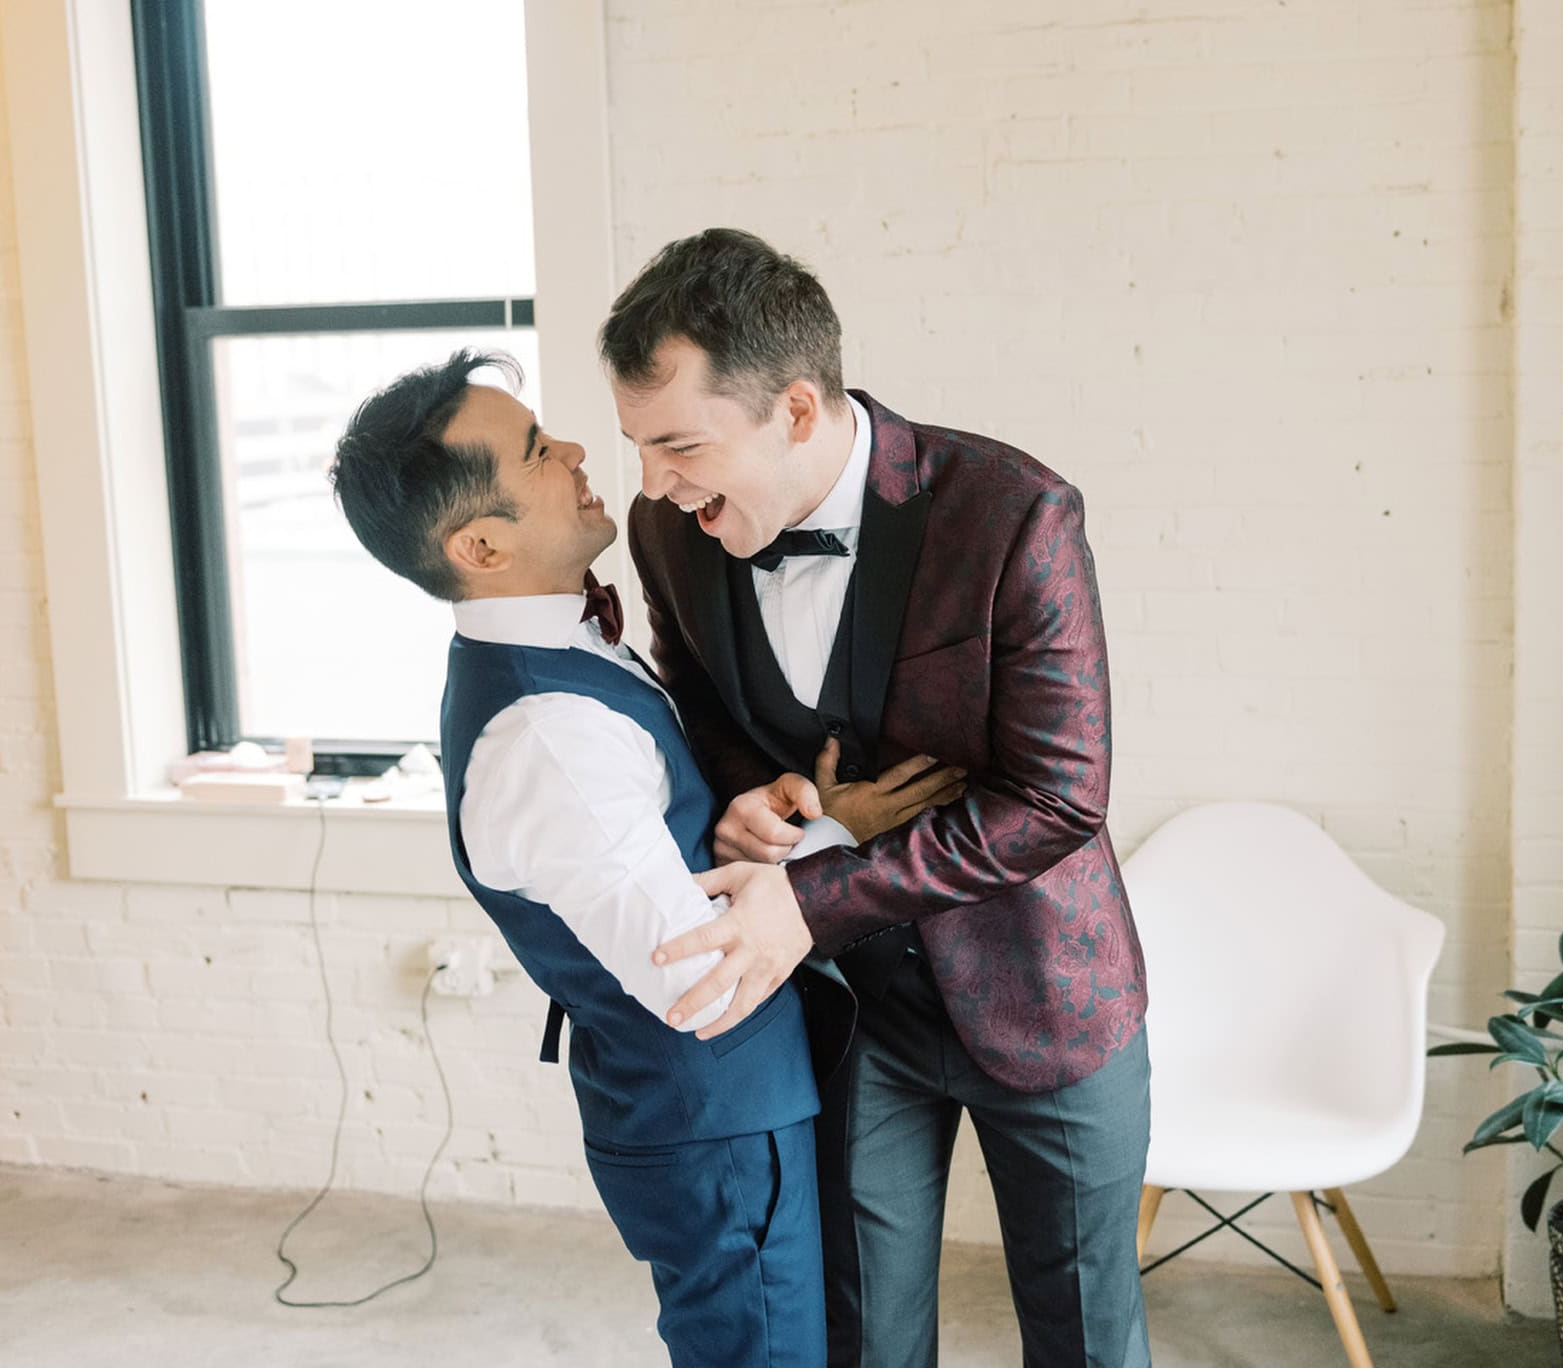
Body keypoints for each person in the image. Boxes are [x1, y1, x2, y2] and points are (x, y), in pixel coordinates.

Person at [328, 351, 943, 1367]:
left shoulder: (557, 662)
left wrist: (768, 816)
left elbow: (649, 853)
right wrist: (841, 835)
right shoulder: (546, 732)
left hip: (723, 1114)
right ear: (480, 544)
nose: (573, 448)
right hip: (717, 1125)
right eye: (533, 452)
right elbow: (695, 975)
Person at [608, 228, 1152, 1367]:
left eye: (677, 446)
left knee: (1086, 1341)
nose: (651, 486)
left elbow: (1058, 797)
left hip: (1046, 1000)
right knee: (861, 1341)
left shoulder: (1012, 513)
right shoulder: (670, 532)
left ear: (795, 411)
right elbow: (701, 703)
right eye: (639, 448)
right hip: (855, 1018)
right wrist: (749, 794)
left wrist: (810, 897)